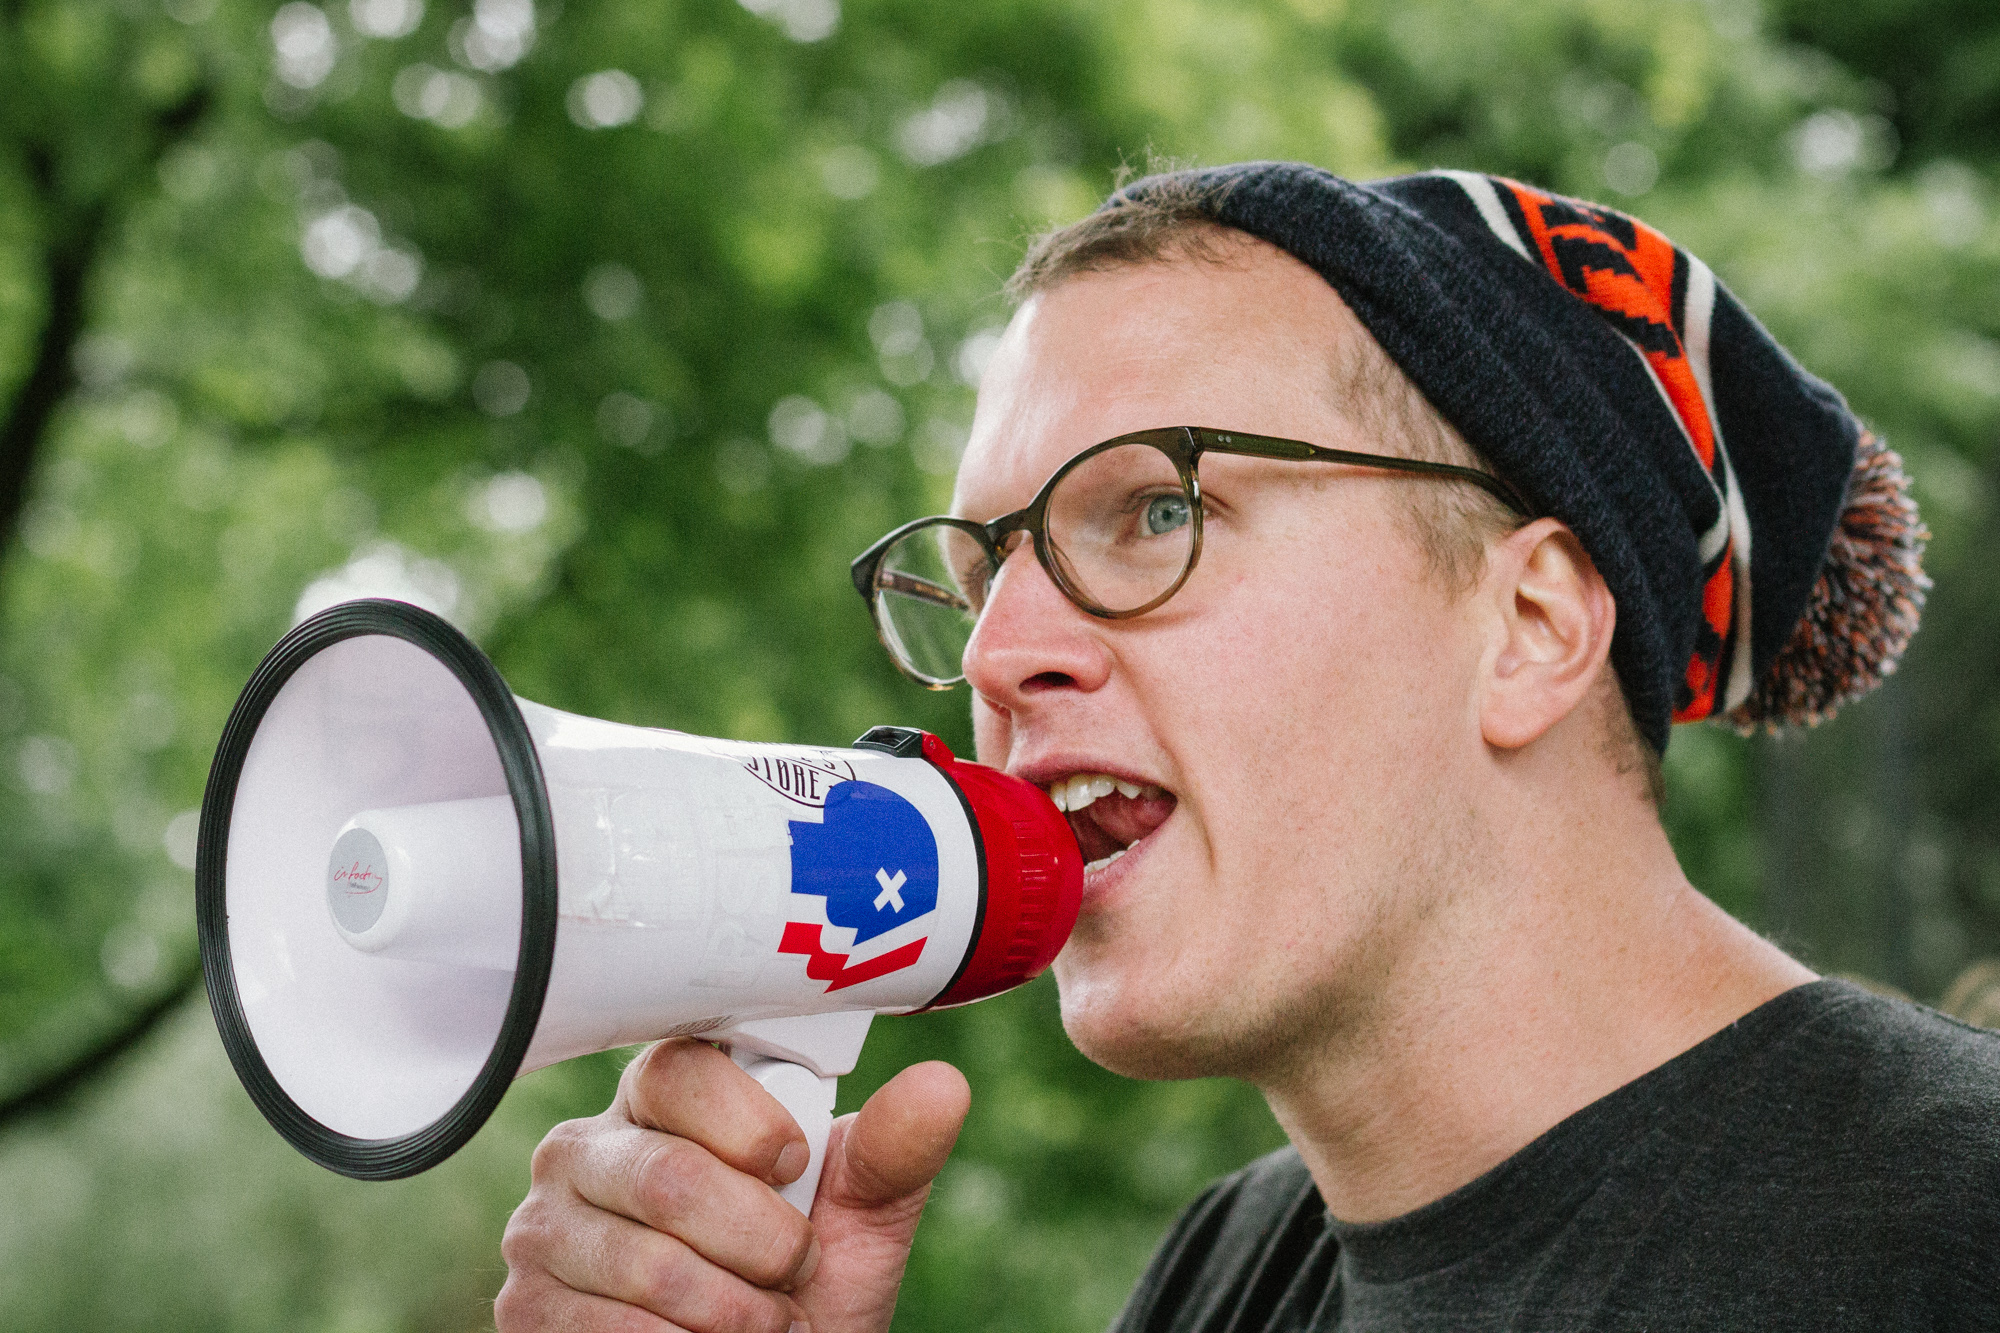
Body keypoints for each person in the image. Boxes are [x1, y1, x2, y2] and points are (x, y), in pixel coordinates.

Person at [493, 163, 1996, 1333]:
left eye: (1156, 510)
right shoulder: (1226, 1268)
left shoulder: (1952, 1228)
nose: (1004, 658)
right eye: (978, 579)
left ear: (1531, 621)